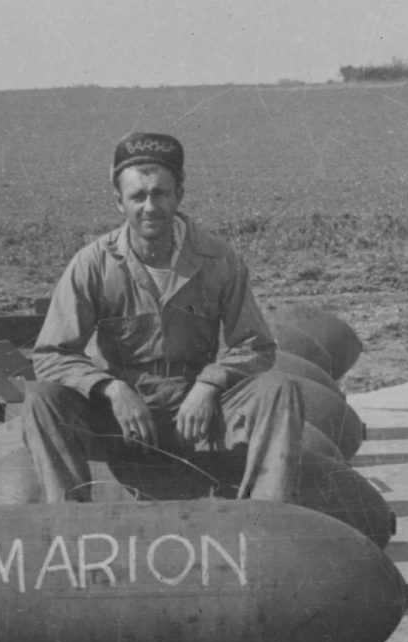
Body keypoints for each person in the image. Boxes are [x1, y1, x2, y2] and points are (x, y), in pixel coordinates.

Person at [22, 131, 304, 503]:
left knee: (279, 389)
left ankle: (265, 520)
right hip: (120, 417)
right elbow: (51, 355)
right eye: (137, 196)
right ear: (119, 202)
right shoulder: (93, 263)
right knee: (42, 398)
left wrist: (210, 385)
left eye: (160, 193)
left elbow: (257, 346)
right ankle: (71, 527)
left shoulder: (219, 259)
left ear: (179, 195)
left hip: (198, 412)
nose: (150, 207)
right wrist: (112, 389)